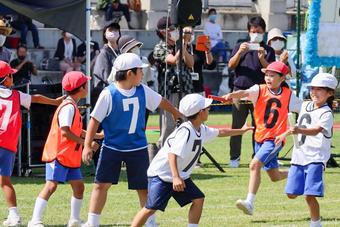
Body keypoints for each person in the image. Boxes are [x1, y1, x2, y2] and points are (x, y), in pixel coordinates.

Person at [81, 53, 182, 227]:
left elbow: (161, 101)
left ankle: (150, 222)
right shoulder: (109, 93)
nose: (143, 74)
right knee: (101, 185)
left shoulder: (142, 90)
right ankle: (92, 222)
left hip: (137, 148)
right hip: (112, 147)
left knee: (143, 187)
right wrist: (86, 146)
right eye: (140, 71)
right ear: (130, 73)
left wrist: (175, 112)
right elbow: (94, 120)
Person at [130, 93, 253, 227]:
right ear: (200, 113)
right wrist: (176, 177)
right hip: (162, 175)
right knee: (150, 208)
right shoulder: (186, 131)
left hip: (179, 175)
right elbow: (172, 154)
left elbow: (221, 132)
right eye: (207, 108)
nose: (209, 110)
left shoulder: (200, 128)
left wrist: (241, 131)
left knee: (198, 199)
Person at [222, 61, 302, 215]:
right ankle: (299, 172)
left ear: (282, 78)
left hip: (275, 140)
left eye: (272, 75)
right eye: (267, 75)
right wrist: (232, 95)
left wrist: (322, 106)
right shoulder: (258, 89)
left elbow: (304, 107)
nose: (268, 78)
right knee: (275, 176)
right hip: (260, 138)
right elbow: (244, 93)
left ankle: (249, 203)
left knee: (254, 164)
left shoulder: (289, 96)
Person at [27, 71, 102, 227]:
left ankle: (74, 220)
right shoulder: (68, 107)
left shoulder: (72, 105)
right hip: (58, 154)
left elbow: (75, 129)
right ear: (81, 88)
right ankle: (34, 220)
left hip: (68, 156)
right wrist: (86, 144)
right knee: (51, 186)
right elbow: (65, 132)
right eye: (86, 84)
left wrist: (96, 136)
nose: (88, 86)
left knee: (79, 187)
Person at [0, 60, 62, 226]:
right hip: (8, 144)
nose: (13, 78)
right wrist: (55, 102)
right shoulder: (16, 95)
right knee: (5, 181)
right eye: (11, 75)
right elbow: (36, 98)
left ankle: (13, 216)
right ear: (5, 79)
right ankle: (14, 215)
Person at [274, 73, 337, 227]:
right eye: (312, 88)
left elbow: (315, 130)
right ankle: (297, 176)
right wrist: (284, 133)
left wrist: (297, 130)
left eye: (320, 89)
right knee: (291, 194)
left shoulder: (326, 113)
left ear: (330, 93)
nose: (314, 92)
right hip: (299, 157)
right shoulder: (304, 105)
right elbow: (285, 97)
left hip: (316, 158)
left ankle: (316, 223)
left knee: (309, 195)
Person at [227, 16, 276, 168]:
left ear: (264, 32)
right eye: (253, 31)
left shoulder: (268, 50)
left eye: (259, 31)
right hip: (240, 91)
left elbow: (272, 71)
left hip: (261, 93)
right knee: (237, 126)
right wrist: (240, 53)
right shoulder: (240, 46)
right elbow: (231, 65)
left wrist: (262, 59)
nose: (255, 34)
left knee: (259, 126)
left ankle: (258, 156)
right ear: (248, 32)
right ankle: (234, 158)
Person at [153, 16, 194, 147]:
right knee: (168, 126)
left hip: (185, 89)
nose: (174, 31)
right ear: (162, 31)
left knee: (187, 123)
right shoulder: (159, 47)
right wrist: (182, 43)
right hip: (169, 90)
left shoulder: (182, 45)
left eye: (175, 28)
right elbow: (173, 60)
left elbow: (190, 63)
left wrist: (184, 44)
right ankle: (163, 154)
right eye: (171, 29)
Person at [92, 22, 120, 105]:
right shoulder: (103, 53)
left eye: (116, 30)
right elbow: (107, 78)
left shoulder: (120, 52)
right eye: (110, 30)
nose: (113, 32)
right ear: (105, 34)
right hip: (107, 95)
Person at [183, 26, 216, 95]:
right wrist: (184, 42)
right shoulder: (177, 48)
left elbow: (210, 66)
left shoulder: (197, 49)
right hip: (183, 88)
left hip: (197, 87)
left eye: (192, 33)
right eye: (188, 33)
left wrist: (207, 51)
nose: (190, 36)